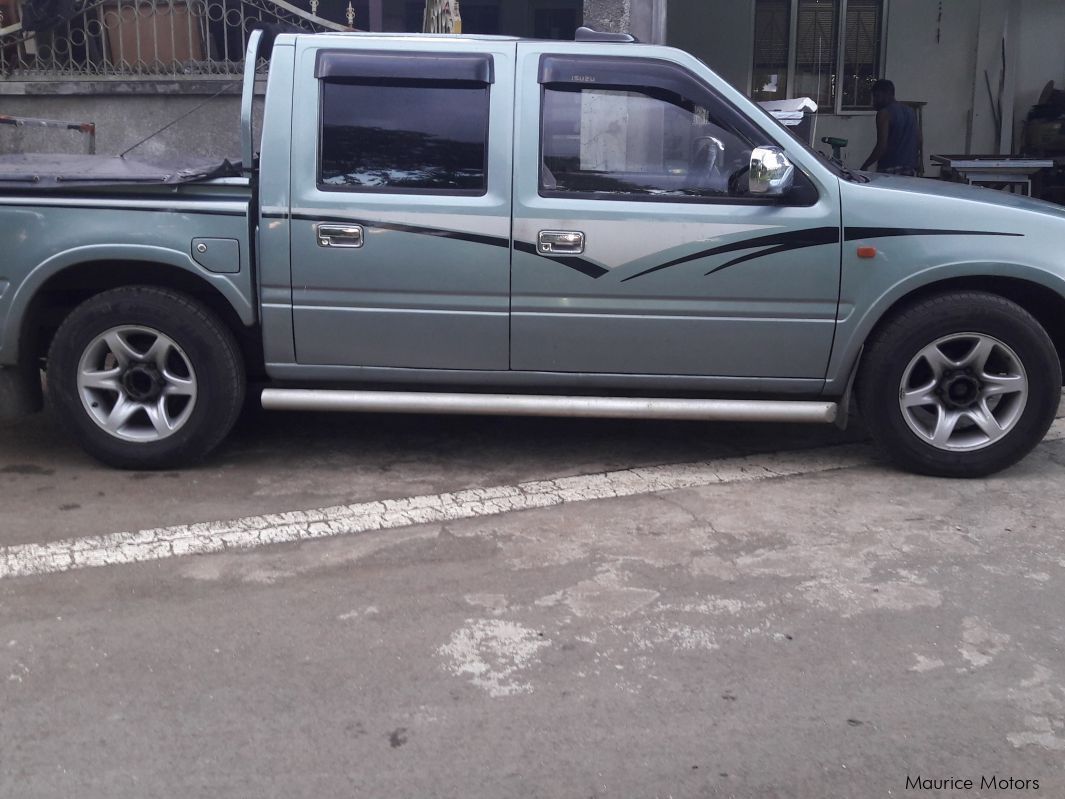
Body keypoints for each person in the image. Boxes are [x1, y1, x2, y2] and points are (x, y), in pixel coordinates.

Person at [860, 79, 921, 176]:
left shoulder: (884, 114)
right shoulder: (910, 111)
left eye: (877, 96)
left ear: (887, 94)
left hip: (889, 169)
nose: (874, 101)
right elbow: (918, 140)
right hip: (909, 168)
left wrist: (865, 166)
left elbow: (882, 146)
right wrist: (916, 161)